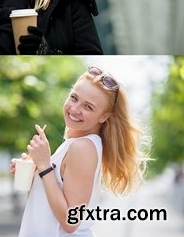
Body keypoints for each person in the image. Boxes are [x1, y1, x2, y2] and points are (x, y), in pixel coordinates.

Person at [13, 66, 147, 237]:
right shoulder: (75, 144)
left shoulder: (83, 148)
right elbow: (49, 204)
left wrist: (45, 166)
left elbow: (71, 222)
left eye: (88, 107)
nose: (75, 109)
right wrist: (35, 171)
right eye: (74, 97)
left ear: (104, 116)